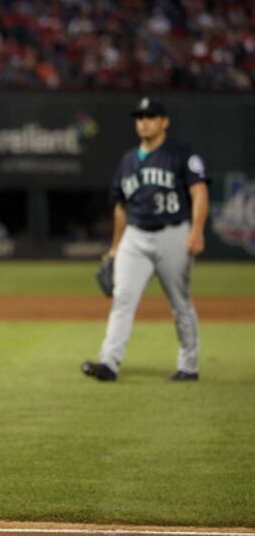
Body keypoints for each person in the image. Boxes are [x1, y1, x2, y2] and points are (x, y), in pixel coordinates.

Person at [82, 98, 209, 382]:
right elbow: (121, 207)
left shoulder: (180, 153)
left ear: (164, 121)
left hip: (173, 234)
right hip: (135, 236)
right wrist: (115, 247)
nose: (144, 122)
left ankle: (188, 366)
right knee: (122, 299)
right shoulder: (128, 160)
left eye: (151, 116)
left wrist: (197, 230)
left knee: (180, 303)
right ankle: (109, 363)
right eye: (140, 117)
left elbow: (199, 192)